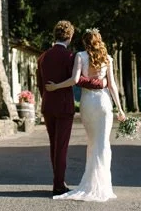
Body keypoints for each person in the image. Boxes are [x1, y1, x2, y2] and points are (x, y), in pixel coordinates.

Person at [44, 27, 126, 202]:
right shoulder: (108, 58)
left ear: (84, 42)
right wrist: (120, 108)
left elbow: (75, 80)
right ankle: (104, 186)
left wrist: (56, 86)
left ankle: (90, 183)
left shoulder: (80, 56)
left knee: (92, 143)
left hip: (88, 103)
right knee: (103, 143)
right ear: (99, 40)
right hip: (104, 103)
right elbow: (112, 85)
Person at [36, 20, 107, 197]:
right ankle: (58, 184)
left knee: (54, 145)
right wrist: (101, 83)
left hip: (48, 104)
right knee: (61, 147)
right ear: (71, 36)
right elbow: (78, 79)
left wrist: (46, 97)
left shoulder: (43, 56)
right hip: (64, 106)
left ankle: (58, 180)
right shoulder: (70, 56)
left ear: (55, 35)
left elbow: (39, 83)